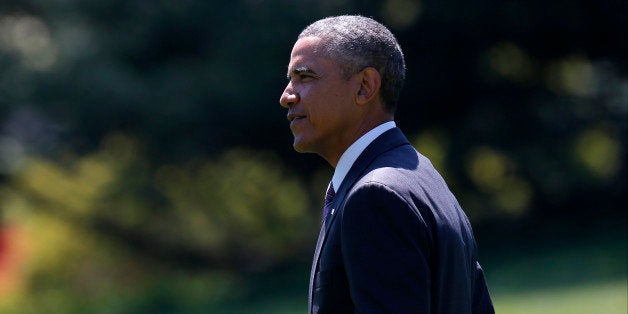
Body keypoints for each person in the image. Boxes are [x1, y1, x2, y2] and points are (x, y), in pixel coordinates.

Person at [279, 15, 494, 314]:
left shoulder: (375, 197)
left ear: (365, 87)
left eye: (305, 77)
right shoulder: (422, 176)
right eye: (290, 79)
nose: (287, 96)